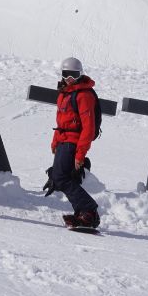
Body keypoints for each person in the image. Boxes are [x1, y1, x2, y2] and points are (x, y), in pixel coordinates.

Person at [50, 57, 100, 228]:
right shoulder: (65, 93)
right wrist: (55, 141)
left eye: (74, 74)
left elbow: (88, 128)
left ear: (81, 74)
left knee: (60, 177)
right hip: (64, 140)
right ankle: (81, 212)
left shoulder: (84, 95)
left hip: (74, 142)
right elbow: (61, 122)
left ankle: (89, 210)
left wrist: (80, 154)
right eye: (66, 74)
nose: (70, 78)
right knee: (60, 177)